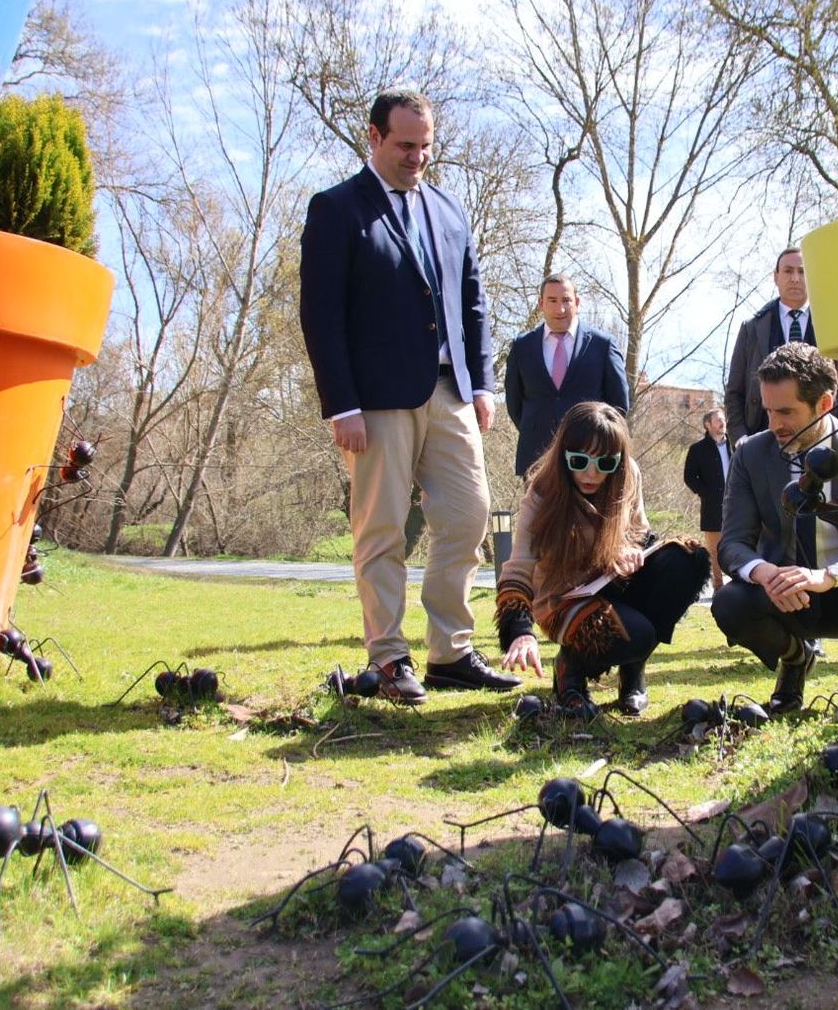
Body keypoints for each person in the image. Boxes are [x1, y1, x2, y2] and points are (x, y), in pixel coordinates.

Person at [298, 88, 518, 705]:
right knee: (382, 530)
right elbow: (321, 313)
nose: (417, 157)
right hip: (375, 402)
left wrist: (482, 382)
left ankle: (450, 651)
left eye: (425, 146)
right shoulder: (337, 209)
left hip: (451, 392)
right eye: (404, 146)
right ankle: (390, 657)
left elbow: (473, 300)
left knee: (470, 515)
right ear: (373, 136)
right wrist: (341, 404)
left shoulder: (449, 211)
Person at [495, 402, 709, 715]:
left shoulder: (629, 474)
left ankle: (633, 671)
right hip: (564, 599)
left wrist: (627, 547)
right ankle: (571, 670)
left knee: (689, 560)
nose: (591, 473)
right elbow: (519, 566)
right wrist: (520, 632)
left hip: (615, 580)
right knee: (635, 634)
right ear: (563, 456)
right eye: (579, 461)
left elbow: (639, 529)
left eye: (605, 463)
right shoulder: (541, 492)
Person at [712, 343, 838, 713]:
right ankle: (795, 659)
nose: (774, 424)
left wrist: (828, 576)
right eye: (768, 411)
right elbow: (732, 543)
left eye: (786, 412)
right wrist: (768, 575)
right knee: (729, 603)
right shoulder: (751, 453)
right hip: (785, 596)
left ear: (824, 404)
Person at [503, 274, 629, 479]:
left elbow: (619, 405)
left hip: (590, 461)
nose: (560, 309)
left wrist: (599, 443)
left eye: (566, 300)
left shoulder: (602, 345)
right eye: (552, 301)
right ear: (541, 303)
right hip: (537, 457)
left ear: (577, 303)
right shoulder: (521, 347)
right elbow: (514, 404)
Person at [724, 247, 814, 446]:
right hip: (764, 444)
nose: (795, 278)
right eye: (788, 271)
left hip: (820, 441)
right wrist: (740, 439)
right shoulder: (752, 329)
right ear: (776, 276)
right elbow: (734, 393)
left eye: (802, 271)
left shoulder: (831, 324)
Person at [682, 406, 730, 590]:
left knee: (742, 542)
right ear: (707, 424)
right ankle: (718, 586)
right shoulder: (697, 449)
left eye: (723, 419)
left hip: (737, 503)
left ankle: (741, 584)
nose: (722, 422)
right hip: (712, 507)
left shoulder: (736, 445)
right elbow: (689, 476)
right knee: (714, 549)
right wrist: (705, 492)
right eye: (718, 419)